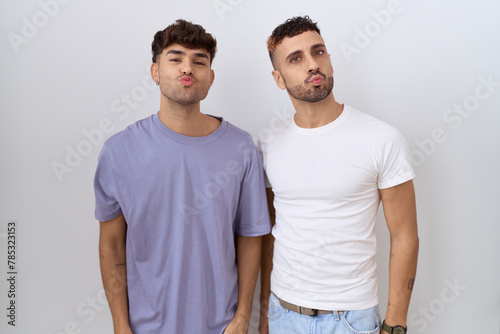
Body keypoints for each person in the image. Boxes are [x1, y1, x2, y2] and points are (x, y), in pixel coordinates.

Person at [94, 19, 270, 334]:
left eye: (198, 61)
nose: (187, 68)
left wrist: (243, 317)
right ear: (155, 72)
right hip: (144, 327)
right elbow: (111, 245)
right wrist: (121, 326)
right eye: (175, 59)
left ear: (210, 77)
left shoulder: (242, 148)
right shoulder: (119, 151)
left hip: (222, 327)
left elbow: (250, 237)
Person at [258, 16, 419, 334]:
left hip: (352, 318)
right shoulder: (266, 143)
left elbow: (405, 236)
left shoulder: (380, 138)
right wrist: (265, 311)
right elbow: (268, 232)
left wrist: (396, 323)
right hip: (283, 314)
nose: (312, 65)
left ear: (329, 59)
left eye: (318, 52)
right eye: (296, 58)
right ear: (279, 78)